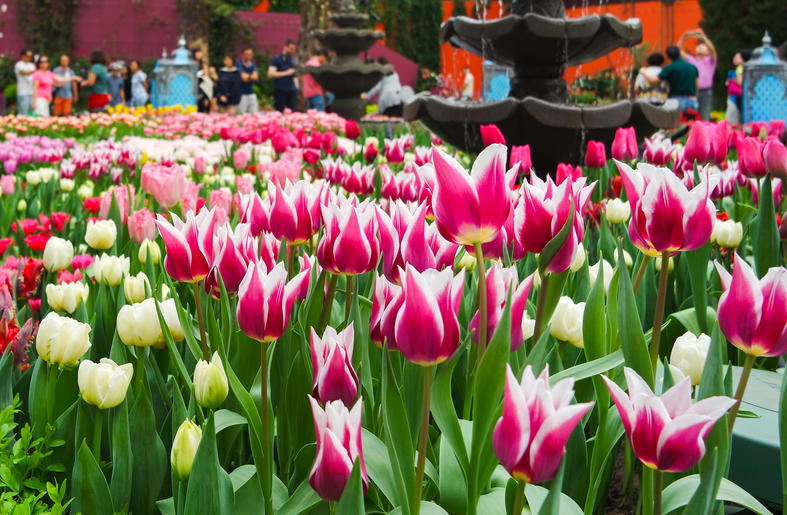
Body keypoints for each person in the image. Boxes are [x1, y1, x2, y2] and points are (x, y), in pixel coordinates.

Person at [640, 45, 698, 114]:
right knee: (691, 123)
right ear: (679, 53)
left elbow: (653, 80)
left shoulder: (669, 68)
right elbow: (697, 84)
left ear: (667, 56)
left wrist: (643, 72)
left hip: (677, 100)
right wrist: (695, 96)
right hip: (692, 100)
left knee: (678, 124)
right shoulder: (692, 67)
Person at [679, 28, 717, 121]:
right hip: (693, 92)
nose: (700, 47)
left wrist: (703, 38)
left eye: (703, 46)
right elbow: (678, 51)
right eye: (699, 46)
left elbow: (713, 50)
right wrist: (684, 36)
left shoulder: (709, 60)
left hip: (706, 92)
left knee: (705, 116)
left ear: (707, 51)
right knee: (690, 117)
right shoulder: (691, 60)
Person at [268, 40, 298, 112]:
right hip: (280, 90)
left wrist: (297, 88)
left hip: (292, 91)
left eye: (294, 49)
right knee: (279, 111)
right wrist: (286, 73)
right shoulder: (277, 59)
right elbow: (270, 74)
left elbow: (295, 76)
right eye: (291, 49)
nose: (292, 51)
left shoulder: (293, 60)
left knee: (293, 112)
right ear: (285, 47)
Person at [725, 49, 751, 125]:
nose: (735, 58)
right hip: (742, 97)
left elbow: (740, 82)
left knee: (731, 122)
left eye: (738, 57)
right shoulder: (748, 68)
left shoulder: (740, 68)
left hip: (735, 98)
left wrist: (735, 80)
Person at [237, 48, 259, 114]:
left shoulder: (252, 65)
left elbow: (256, 77)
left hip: (251, 92)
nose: (249, 56)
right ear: (243, 55)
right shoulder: (239, 64)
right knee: (241, 114)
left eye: (250, 54)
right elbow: (243, 78)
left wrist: (248, 77)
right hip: (241, 94)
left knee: (255, 113)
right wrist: (251, 76)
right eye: (247, 54)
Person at [14, 48, 35, 115]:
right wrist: (35, 71)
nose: (29, 58)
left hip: (32, 92)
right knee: (23, 113)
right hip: (22, 92)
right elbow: (25, 72)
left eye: (31, 56)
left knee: (31, 113)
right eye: (28, 56)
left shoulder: (31, 65)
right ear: (22, 56)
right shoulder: (18, 65)